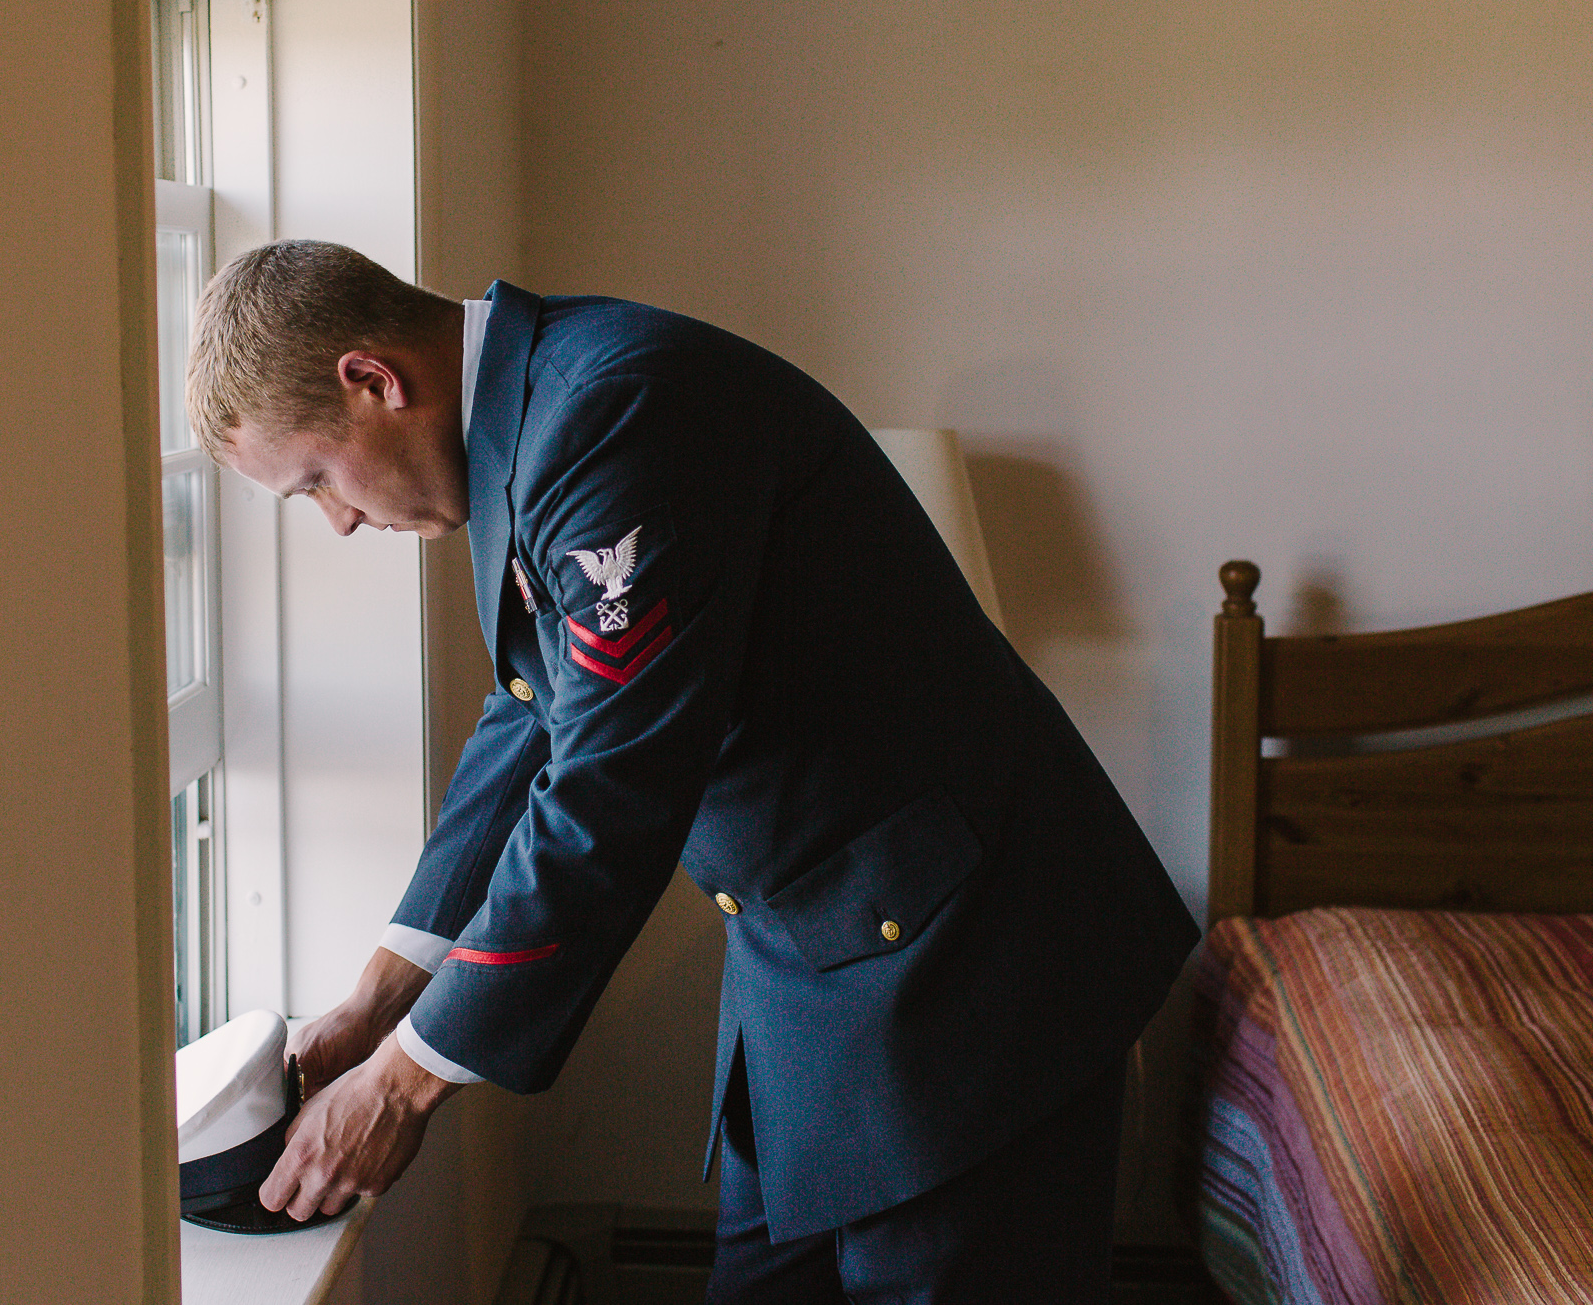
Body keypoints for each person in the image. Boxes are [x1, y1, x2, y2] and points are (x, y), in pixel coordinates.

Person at [184, 239, 1200, 1302]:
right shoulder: (525, 416)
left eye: (314, 482)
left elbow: (609, 788)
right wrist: (379, 999)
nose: (339, 519)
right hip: (808, 973)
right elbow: (534, 715)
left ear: (372, 381)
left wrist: (406, 1083)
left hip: (966, 974)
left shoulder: (613, 406)